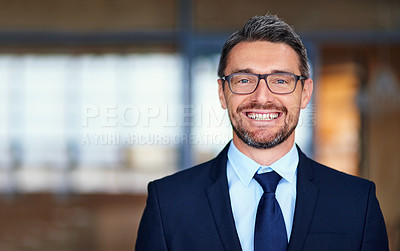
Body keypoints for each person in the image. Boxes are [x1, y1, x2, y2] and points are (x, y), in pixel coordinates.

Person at [135, 14, 389, 251]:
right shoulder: (168, 202)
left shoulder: (357, 201)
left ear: (306, 93)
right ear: (223, 93)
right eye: (244, 80)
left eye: (280, 80)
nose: (262, 97)